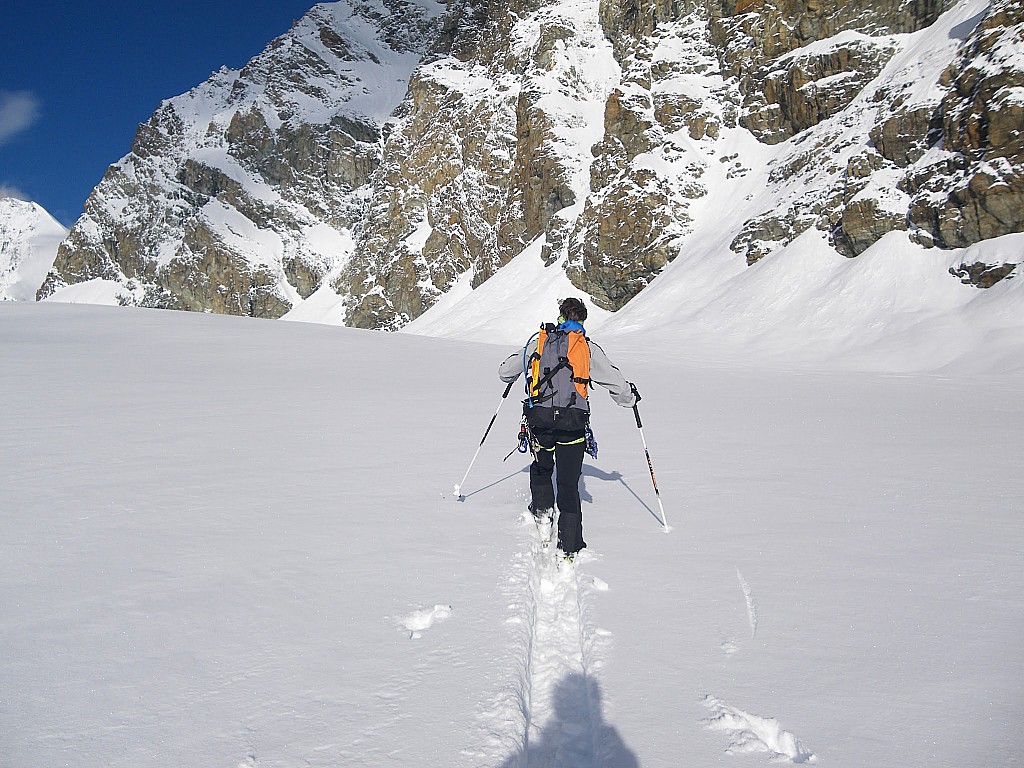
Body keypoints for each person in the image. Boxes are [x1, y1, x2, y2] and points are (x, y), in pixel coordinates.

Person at [498, 297, 639, 561]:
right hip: (573, 423)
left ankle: (542, 516)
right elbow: (615, 382)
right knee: (568, 482)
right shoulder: (586, 347)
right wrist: (629, 398)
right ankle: (570, 544)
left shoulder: (539, 341)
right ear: (583, 319)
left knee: (541, 469)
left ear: (561, 315)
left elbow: (505, 371)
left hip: (539, 420)